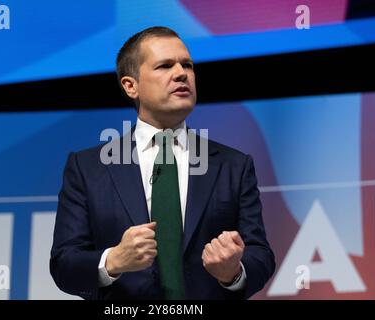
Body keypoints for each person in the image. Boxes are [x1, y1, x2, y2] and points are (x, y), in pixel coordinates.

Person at [50, 26, 275, 300]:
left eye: (187, 65)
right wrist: (112, 261)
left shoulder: (233, 166)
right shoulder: (87, 168)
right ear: (131, 86)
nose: (182, 73)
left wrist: (233, 271)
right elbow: (64, 264)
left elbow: (260, 255)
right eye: (165, 66)